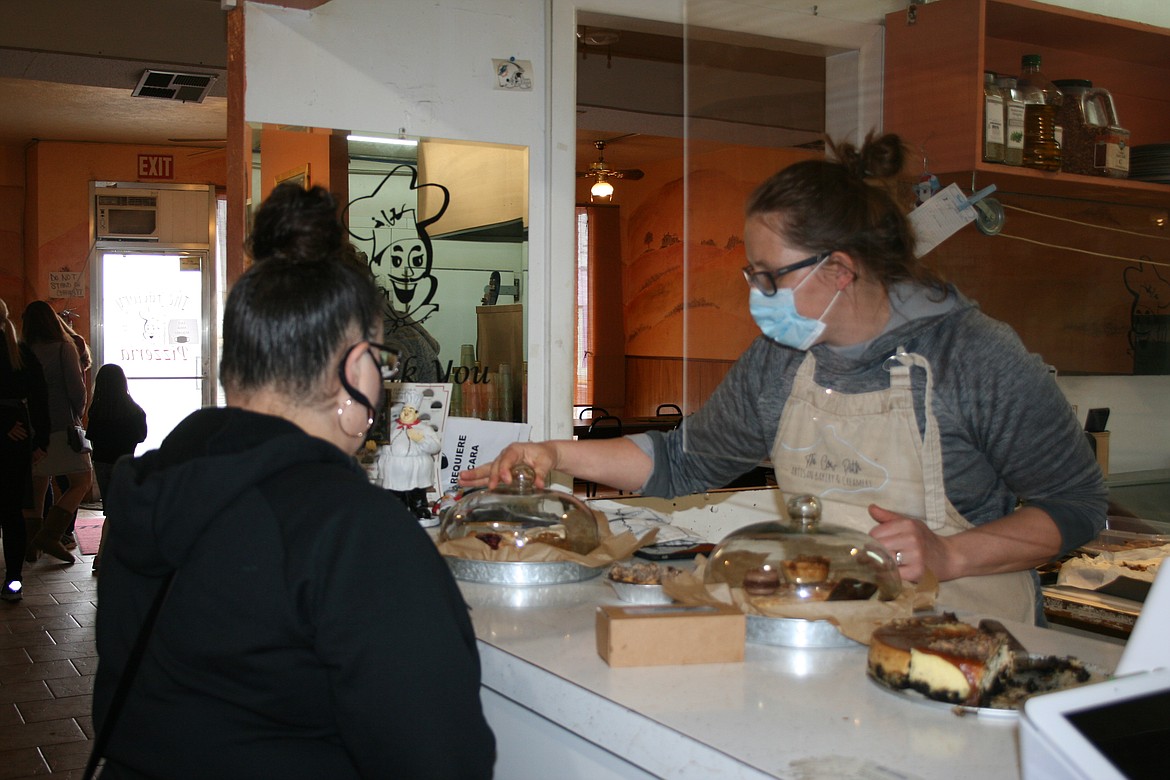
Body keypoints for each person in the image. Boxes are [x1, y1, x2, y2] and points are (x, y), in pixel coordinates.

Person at [462, 133, 1107, 626]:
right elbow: (685, 462)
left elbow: (1076, 507)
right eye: (753, 274)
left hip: (961, 636)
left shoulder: (974, 357)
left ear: (840, 269)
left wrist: (951, 555)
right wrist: (551, 454)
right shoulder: (780, 357)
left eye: (771, 275)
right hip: (827, 631)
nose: (757, 294)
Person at [93, 183, 495, 779]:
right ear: (357, 369)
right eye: (381, 362)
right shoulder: (356, 534)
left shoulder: (149, 486)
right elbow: (444, 760)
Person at [20, 299, 92, 564]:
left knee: (38, 485)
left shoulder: (21, 350)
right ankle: (49, 536)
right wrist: (79, 413)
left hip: (30, 427)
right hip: (61, 423)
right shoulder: (64, 348)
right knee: (81, 481)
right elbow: (76, 389)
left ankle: (30, 546)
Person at [1, 299, 50, 601]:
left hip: (11, 432)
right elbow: (41, 398)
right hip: (18, 440)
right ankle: (13, 580)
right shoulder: (22, 353)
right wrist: (40, 441)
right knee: (12, 513)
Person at [84, 363, 147, 570]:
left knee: (111, 510)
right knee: (123, 510)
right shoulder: (134, 410)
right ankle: (117, 555)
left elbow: (91, 437)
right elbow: (141, 436)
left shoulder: (96, 411)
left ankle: (102, 556)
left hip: (102, 464)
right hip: (124, 463)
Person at [376, 386, 443, 522]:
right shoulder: (391, 426)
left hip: (415, 468)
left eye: (410, 411)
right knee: (394, 492)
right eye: (404, 410)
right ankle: (396, 510)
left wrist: (420, 439)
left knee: (416, 492)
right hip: (393, 468)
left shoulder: (424, 429)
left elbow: (435, 447)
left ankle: (419, 509)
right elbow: (382, 440)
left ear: (416, 414)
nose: (406, 413)